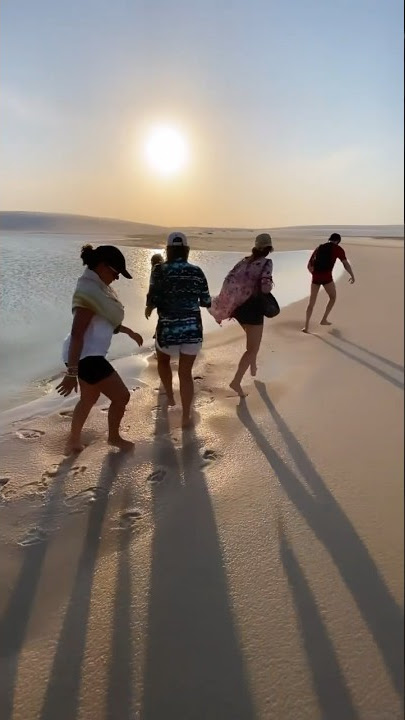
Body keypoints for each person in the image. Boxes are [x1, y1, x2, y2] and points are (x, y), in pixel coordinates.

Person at [57, 244, 143, 454]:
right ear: (103, 266)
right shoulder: (89, 292)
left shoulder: (96, 291)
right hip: (86, 357)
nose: (117, 278)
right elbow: (77, 333)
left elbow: (102, 321)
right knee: (122, 396)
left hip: (84, 354)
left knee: (89, 398)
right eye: (115, 273)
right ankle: (113, 438)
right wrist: (72, 373)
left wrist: (127, 331)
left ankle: (73, 441)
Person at [145, 232, 211, 428]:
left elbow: (151, 299)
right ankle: (185, 417)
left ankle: (171, 396)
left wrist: (151, 306)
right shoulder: (197, 271)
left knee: (163, 361)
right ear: (187, 250)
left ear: (168, 251)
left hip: (168, 332)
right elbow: (206, 301)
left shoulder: (158, 271)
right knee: (185, 373)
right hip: (192, 332)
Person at [210, 232, 274, 397]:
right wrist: (268, 285)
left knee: (252, 343)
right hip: (253, 309)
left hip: (239, 309)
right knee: (253, 348)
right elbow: (265, 287)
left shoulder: (243, 261)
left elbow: (229, 280)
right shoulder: (266, 263)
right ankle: (236, 382)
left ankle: (253, 367)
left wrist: (228, 304)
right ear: (268, 249)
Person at [302, 232, 355, 333]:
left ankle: (306, 327)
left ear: (329, 239)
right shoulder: (338, 249)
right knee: (333, 297)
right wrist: (352, 275)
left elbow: (309, 265)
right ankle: (323, 319)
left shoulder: (319, 248)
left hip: (316, 278)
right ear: (338, 241)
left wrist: (314, 274)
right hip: (327, 278)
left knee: (311, 303)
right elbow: (345, 264)